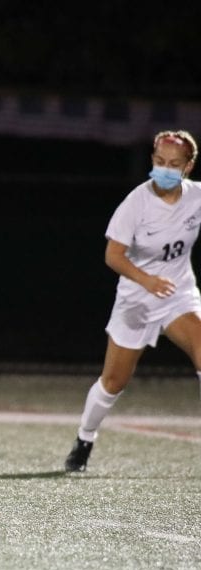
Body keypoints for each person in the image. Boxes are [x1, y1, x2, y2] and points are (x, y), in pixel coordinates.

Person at [65, 129, 201, 472]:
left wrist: (162, 284)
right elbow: (113, 255)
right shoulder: (136, 203)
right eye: (159, 162)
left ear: (188, 166)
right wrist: (147, 280)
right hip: (137, 300)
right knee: (113, 383)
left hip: (178, 294)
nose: (165, 169)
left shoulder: (197, 197)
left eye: (174, 164)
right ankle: (85, 438)